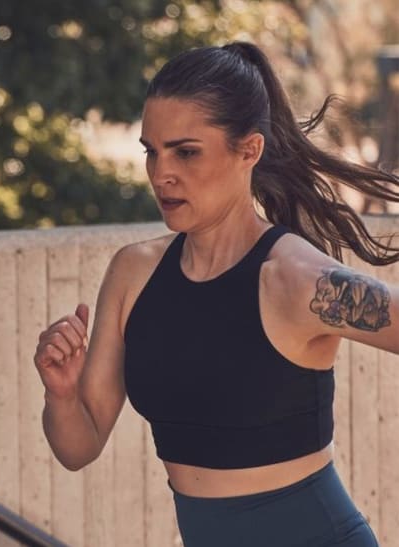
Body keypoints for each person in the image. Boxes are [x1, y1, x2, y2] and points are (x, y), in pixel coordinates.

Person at [34, 42, 398, 547]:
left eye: (186, 151)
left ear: (249, 150)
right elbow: (80, 446)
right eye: (152, 150)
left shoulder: (295, 279)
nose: (161, 173)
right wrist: (61, 393)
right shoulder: (133, 273)